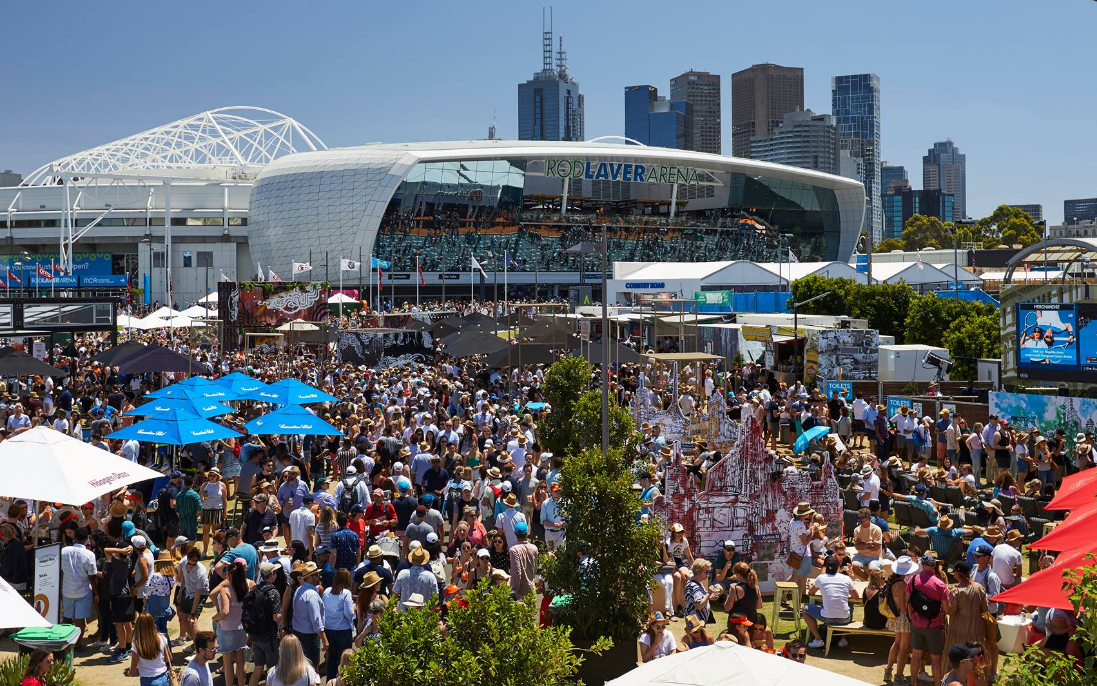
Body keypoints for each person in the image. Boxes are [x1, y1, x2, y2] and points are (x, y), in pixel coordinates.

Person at [908, 554, 951, 686]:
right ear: (934, 565)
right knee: (936, 659)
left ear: (922, 565)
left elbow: (907, 602)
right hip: (934, 625)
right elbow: (947, 609)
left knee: (916, 656)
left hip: (916, 623)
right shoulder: (940, 584)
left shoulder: (913, 580)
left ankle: (913, 683)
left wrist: (912, 617)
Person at [802, 555, 858, 649]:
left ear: (825, 567)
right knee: (851, 606)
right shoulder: (846, 578)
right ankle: (842, 639)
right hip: (844, 619)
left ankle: (818, 639)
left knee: (804, 609)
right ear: (838, 567)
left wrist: (813, 586)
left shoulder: (821, 578)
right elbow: (856, 597)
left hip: (827, 617)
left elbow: (811, 593)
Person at [213, 560, 253, 686]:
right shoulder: (245, 588)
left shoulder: (225, 590)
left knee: (228, 663)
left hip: (226, 630)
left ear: (229, 575)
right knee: (241, 662)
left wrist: (215, 618)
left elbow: (225, 612)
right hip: (241, 629)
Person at [247, 562, 286, 686]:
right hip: (270, 637)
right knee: (272, 671)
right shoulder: (274, 592)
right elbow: (276, 617)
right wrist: (283, 614)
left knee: (257, 669)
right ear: (272, 574)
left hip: (256, 636)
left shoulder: (255, 589)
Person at [60, 526, 97, 650]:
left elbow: (61, 571)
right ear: (87, 538)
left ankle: (65, 643)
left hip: (67, 590)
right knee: (80, 620)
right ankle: (77, 645)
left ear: (75, 537)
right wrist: (96, 593)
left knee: (67, 618)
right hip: (83, 592)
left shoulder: (64, 551)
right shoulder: (89, 555)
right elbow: (92, 577)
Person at [883, 556, 916, 685]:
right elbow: (903, 607)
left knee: (896, 643)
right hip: (903, 617)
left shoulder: (892, 583)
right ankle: (899, 676)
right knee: (904, 647)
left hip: (895, 616)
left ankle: (888, 671)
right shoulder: (903, 585)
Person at [290, 561, 328, 668]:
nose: (319, 577)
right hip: (309, 638)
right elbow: (316, 620)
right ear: (310, 578)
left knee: (301, 667)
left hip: (298, 633)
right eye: (316, 575)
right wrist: (325, 640)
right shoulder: (312, 594)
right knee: (312, 668)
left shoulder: (299, 589)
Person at [322, 569, 356, 681]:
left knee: (332, 658)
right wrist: (354, 609)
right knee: (345, 659)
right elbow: (348, 613)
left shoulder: (327, 591)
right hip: (343, 630)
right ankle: (345, 681)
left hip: (329, 629)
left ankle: (330, 681)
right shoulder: (346, 593)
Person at [126, 613, 172, 686]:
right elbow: (169, 658)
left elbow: (132, 671)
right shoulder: (162, 638)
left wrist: (129, 672)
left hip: (148, 681)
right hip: (164, 677)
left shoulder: (137, 645)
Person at [787, 502, 817, 600]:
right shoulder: (800, 524)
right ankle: (798, 604)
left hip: (795, 554)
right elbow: (805, 542)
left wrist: (810, 530)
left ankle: (783, 596)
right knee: (801, 582)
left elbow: (800, 535)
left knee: (794, 577)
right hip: (802, 556)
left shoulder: (793, 521)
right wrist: (812, 532)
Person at [508, 521, 539, 598]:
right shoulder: (534, 548)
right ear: (527, 533)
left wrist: (514, 589)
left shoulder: (514, 550)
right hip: (532, 589)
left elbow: (516, 572)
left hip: (520, 592)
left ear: (515, 533)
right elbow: (535, 568)